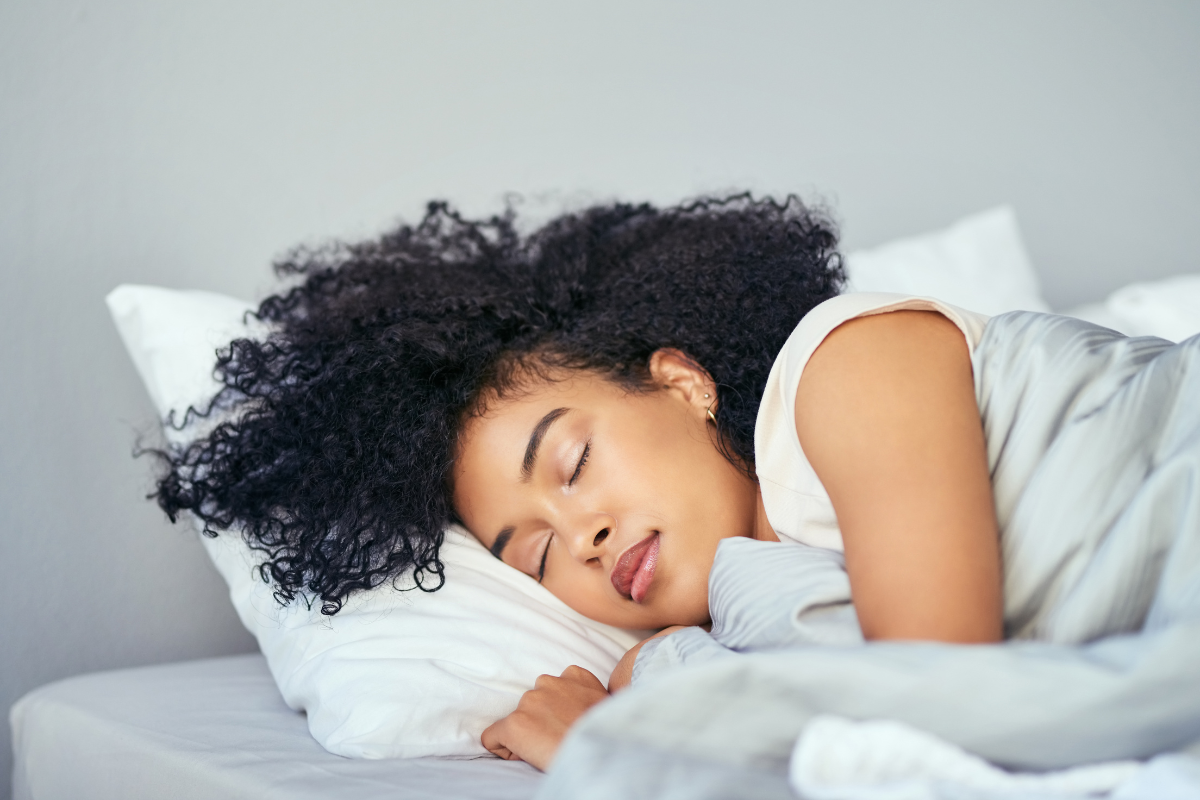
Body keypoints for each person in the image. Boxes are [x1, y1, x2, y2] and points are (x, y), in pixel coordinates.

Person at [154, 195, 1002, 770]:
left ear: (684, 382)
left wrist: (605, 754)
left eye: (574, 464)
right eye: (536, 555)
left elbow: (937, 728)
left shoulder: (852, 364)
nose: (584, 541)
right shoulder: (712, 636)